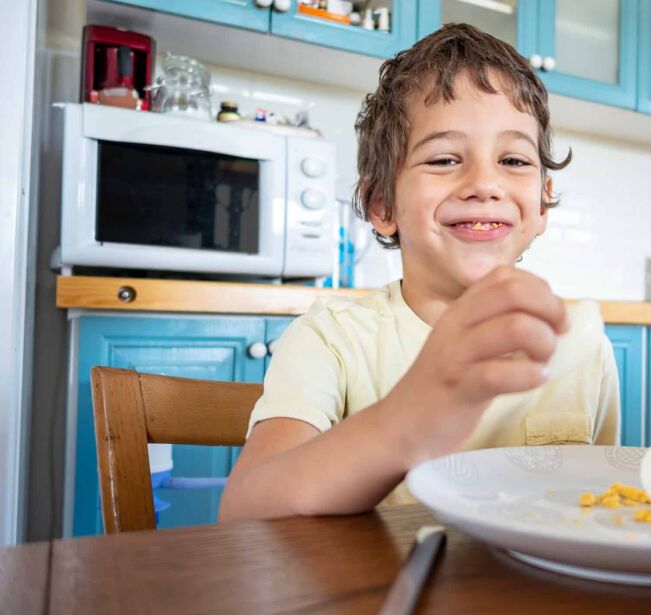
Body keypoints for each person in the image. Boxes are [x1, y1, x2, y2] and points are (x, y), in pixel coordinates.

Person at [219, 23, 619, 521]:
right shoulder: (332, 339)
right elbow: (244, 510)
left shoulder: (584, 350)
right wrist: (403, 423)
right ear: (382, 204)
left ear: (541, 205)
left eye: (513, 159)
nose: (485, 183)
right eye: (445, 159)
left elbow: (598, 515)